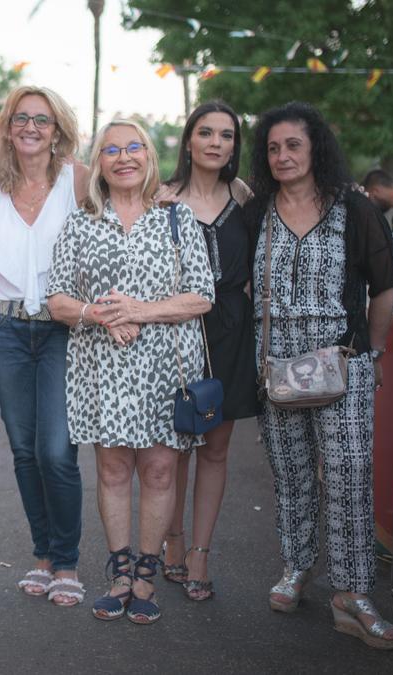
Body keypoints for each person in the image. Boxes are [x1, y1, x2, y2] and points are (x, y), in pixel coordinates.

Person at [46, 120, 214, 625]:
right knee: (114, 470)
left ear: (149, 157)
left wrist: (138, 311)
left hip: (165, 365)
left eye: (134, 147)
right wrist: (99, 315)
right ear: (99, 161)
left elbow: (202, 296)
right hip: (102, 364)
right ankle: (119, 576)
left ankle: (146, 576)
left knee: (160, 471)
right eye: (112, 149)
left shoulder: (176, 219)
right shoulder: (82, 222)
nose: (124, 157)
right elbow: (56, 299)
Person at [246, 102, 393, 650]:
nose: (283, 155)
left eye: (294, 145)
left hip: (343, 363)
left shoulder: (353, 209)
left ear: (316, 150)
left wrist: (373, 353)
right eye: (273, 147)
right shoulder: (257, 209)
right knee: (290, 477)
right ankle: (296, 567)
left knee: (349, 474)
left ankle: (353, 595)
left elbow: (384, 285)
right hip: (277, 369)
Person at [0, 86, 90, 606]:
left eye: (42, 120)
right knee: (25, 451)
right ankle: (43, 555)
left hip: (60, 329)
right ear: (8, 126)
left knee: (56, 450)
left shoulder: (78, 180)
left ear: (57, 129)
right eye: (21, 118)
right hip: (1, 330)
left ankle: (67, 562)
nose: (30, 127)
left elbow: (137, 193)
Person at [155, 101, 258, 601]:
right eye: (206, 132)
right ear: (189, 141)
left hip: (233, 333)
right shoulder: (161, 199)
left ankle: (200, 553)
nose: (217, 142)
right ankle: (171, 541)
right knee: (176, 445)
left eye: (227, 135)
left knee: (215, 450)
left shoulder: (247, 198)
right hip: (178, 332)